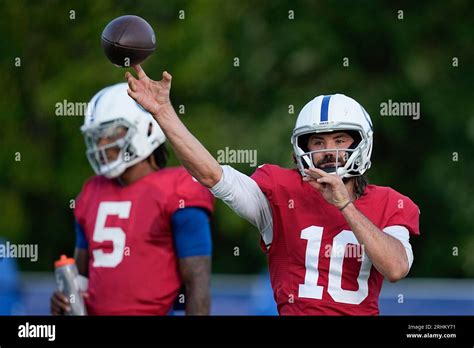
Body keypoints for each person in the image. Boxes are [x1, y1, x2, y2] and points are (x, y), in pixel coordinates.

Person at [124, 66, 420, 315]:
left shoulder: (389, 203)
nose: (329, 151)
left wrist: (345, 206)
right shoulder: (280, 192)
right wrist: (163, 113)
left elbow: (396, 268)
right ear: (301, 149)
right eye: (317, 142)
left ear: (361, 144)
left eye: (340, 140)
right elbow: (211, 174)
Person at [51, 83, 214, 315]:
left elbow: (197, 284)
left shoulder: (179, 189)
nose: (102, 145)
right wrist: (64, 302)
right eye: (97, 137)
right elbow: (80, 281)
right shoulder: (91, 192)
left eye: (109, 134)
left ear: (145, 128)